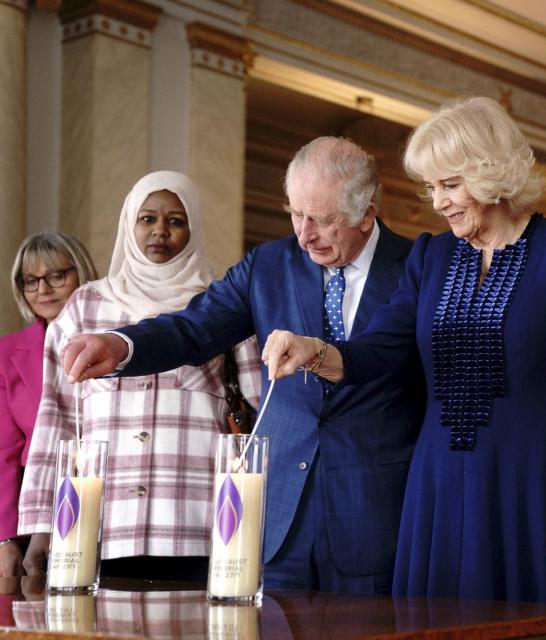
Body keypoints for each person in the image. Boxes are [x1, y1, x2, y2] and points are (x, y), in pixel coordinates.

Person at [260, 96, 546, 605]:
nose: (439, 201)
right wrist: (313, 349)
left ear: (493, 174)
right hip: (437, 482)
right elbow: (378, 351)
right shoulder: (432, 253)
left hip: (529, 480)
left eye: (451, 184)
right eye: (432, 187)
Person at [56, 139, 423, 593]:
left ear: (367, 214)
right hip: (278, 517)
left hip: (376, 511)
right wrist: (121, 344)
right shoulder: (268, 265)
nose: (304, 235)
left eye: (323, 221)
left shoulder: (418, 266)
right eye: (296, 214)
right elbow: (194, 328)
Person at [18, 171, 261, 582]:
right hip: (98, 531)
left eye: (176, 221)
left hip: (201, 528)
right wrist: (41, 521)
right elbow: (56, 419)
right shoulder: (84, 308)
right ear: (129, 224)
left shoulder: (222, 306)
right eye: (147, 219)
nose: (160, 232)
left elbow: (258, 415)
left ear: (194, 228)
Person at [0, 232, 97, 577]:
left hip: (103, 497)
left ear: (81, 274)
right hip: (35, 506)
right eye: (31, 281)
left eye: (57, 275)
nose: (43, 289)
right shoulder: (7, 353)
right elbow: (4, 454)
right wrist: (6, 538)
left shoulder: (117, 339)